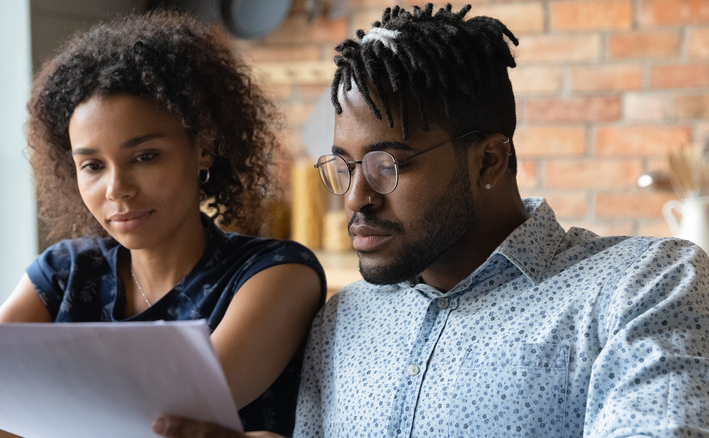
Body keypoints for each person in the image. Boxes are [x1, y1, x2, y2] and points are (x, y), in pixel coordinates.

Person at [150, 3, 709, 437]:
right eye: (343, 167)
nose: (354, 200)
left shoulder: (645, 285)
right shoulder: (341, 319)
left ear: (488, 159)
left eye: (387, 165)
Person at [0, 10, 325, 437]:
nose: (116, 189)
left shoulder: (277, 273)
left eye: (145, 157)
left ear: (203, 149)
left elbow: (183, 410)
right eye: (93, 165)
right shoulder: (65, 273)